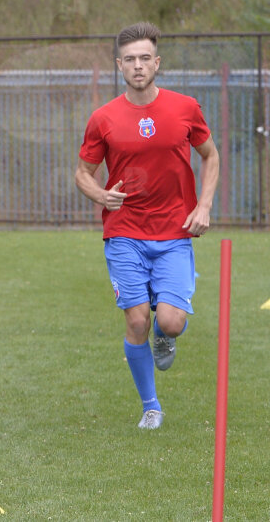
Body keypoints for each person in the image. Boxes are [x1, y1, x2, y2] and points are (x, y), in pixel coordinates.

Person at [74, 21, 219, 430]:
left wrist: (204, 205)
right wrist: (101, 196)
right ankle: (150, 405)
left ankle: (166, 334)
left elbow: (210, 155)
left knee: (169, 321)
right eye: (130, 60)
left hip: (174, 232)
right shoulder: (103, 118)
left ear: (157, 62)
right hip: (124, 232)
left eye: (144, 59)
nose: (138, 66)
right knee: (137, 319)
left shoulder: (185, 108)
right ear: (119, 65)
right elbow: (83, 173)